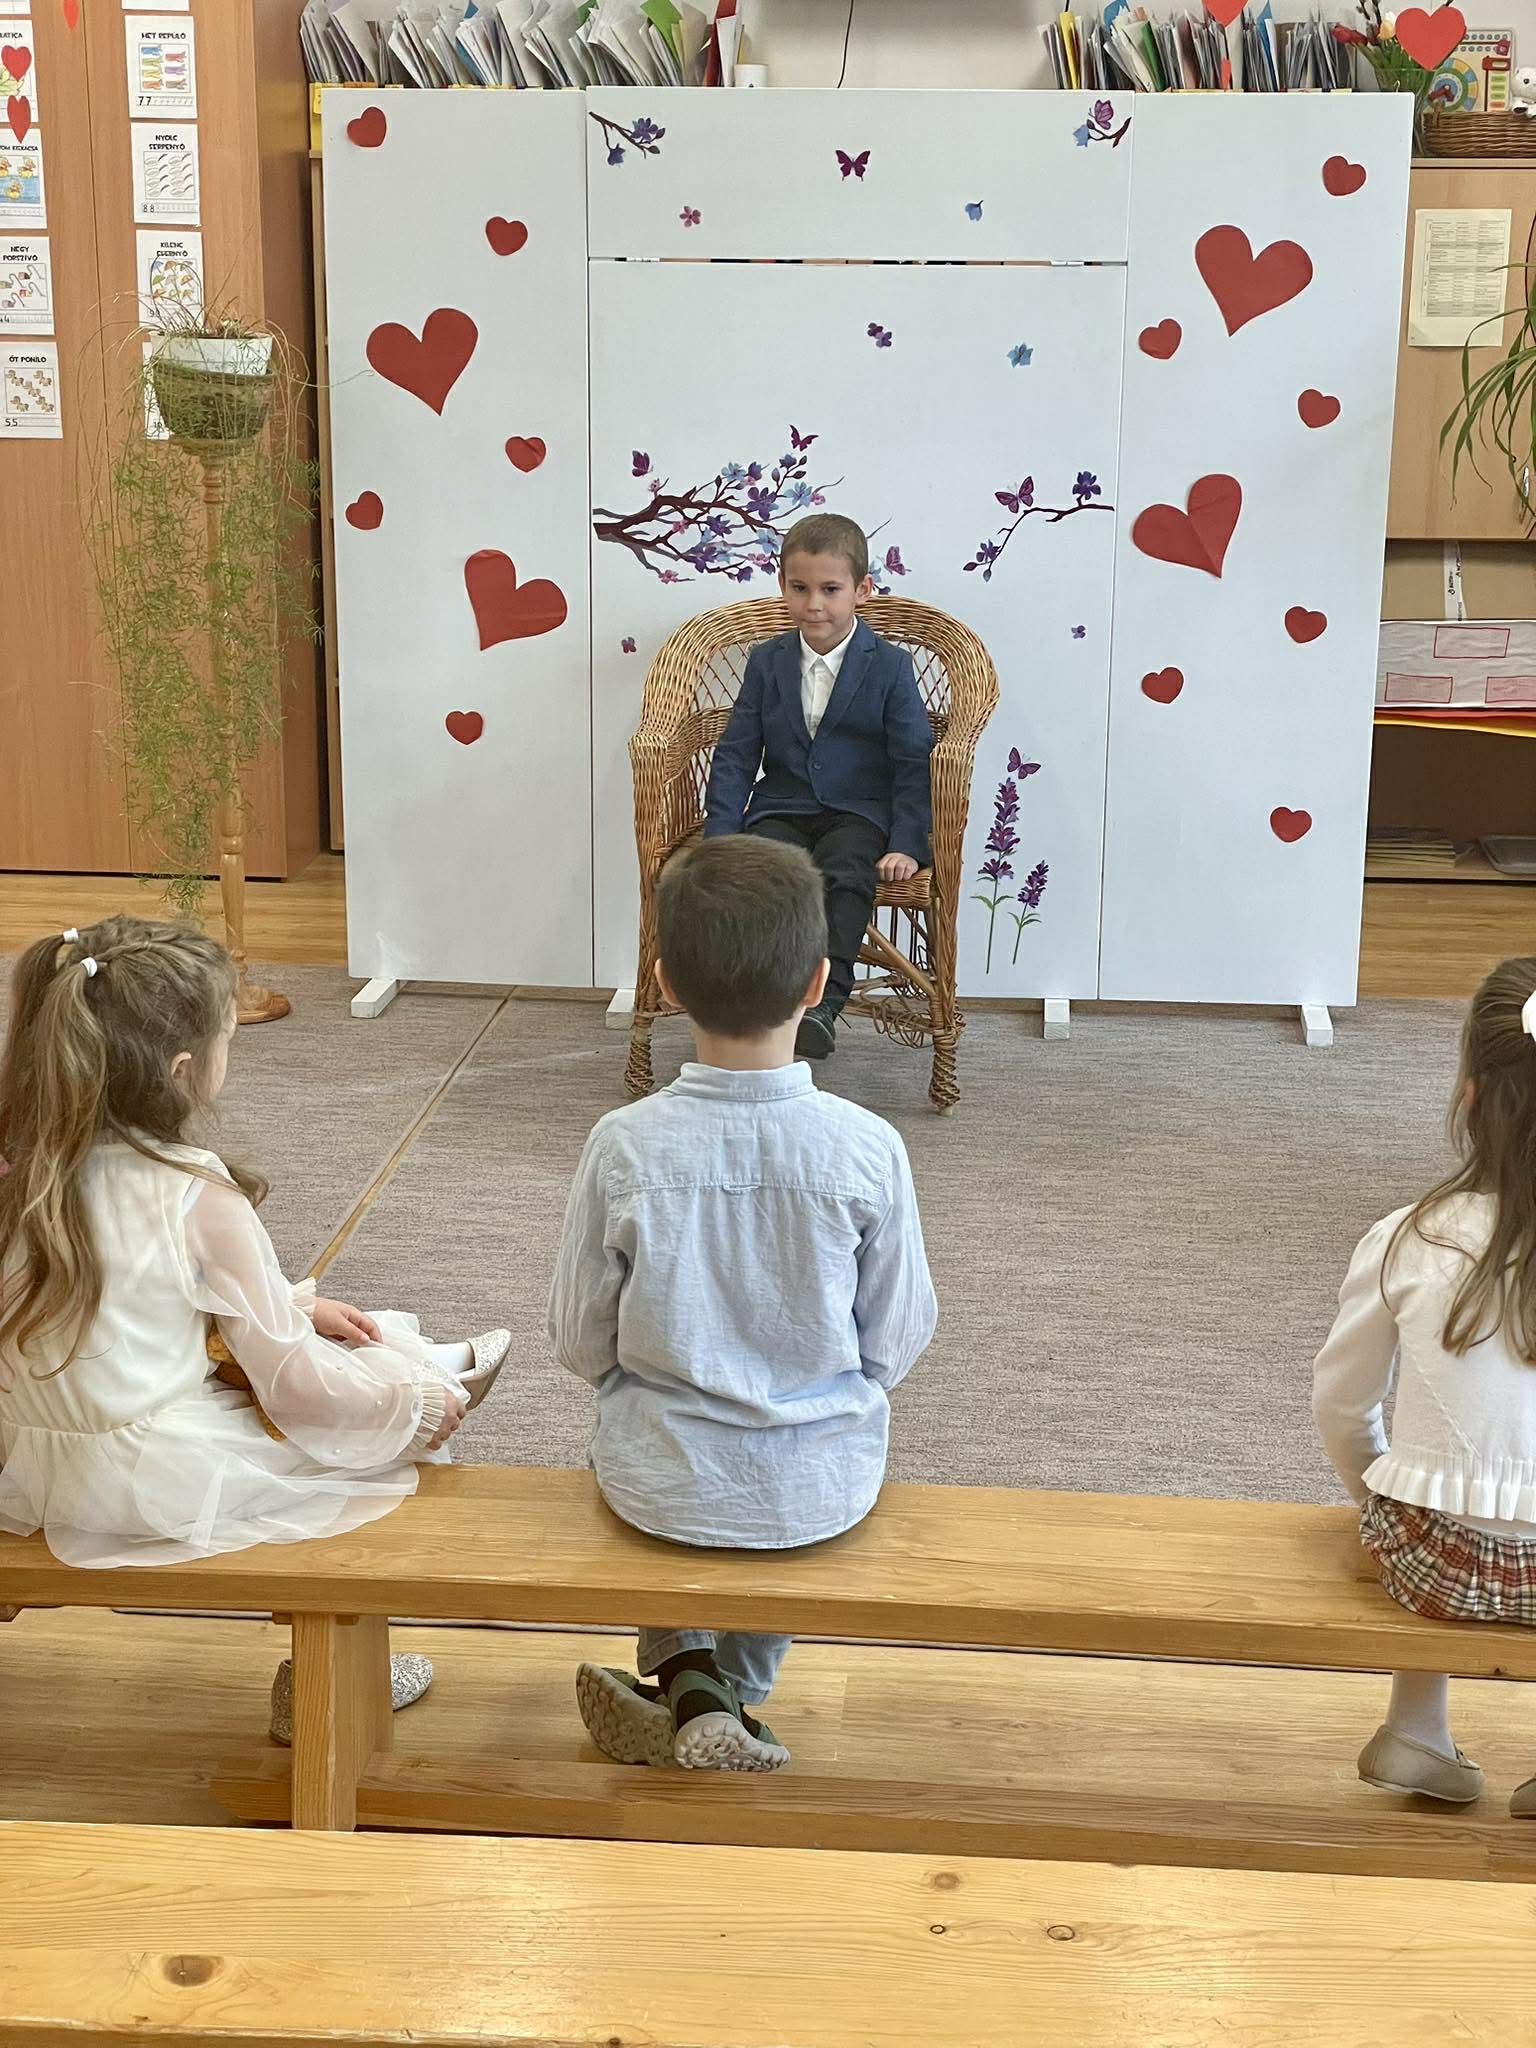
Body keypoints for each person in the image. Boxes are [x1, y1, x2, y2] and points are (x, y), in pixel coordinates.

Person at [0, 916, 511, 1739]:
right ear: (182, 1071)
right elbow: (294, 1386)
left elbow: (122, 1303)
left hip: (29, 1463)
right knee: (376, 1444)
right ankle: (329, 1682)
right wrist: (409, 1413)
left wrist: (294, 1306)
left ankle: (420, 1360)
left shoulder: (23, 1164)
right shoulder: (194, 1189)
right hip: (150, 1475)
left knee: (320, 1335)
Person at [550, 836, 937, 1771]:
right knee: (784, 1496)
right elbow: (896, 1337)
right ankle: (733, 1692)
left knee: (650, 1443)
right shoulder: (869, 1147)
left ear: (663, 984)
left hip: (663, 1479)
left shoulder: (623, 1144)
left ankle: (691, 1680)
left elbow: (577, 1338)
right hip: (817, 1482)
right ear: (819, 981)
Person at [1314, 954, 1536, 1815]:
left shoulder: (1409, 1237)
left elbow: (1342, 1403)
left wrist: (1379, 1495)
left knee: (1419, 1485)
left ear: (1470, 1097)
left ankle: (1415, 1727)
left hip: (1434, 1560)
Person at [702, 512, 934, 1062]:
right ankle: (766, 1003)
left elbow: (912, 761)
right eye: (800, 588)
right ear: (782, 585)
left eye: (830, 590)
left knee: (845, 873)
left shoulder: (891, 667)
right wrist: (721, 835)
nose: (814, 605)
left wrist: (907, 842)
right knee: (766, 876)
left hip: (859, 813)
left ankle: (823, 1005)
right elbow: (737, 753)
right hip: (781, 806)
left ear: (862, 590)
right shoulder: (767, 662)